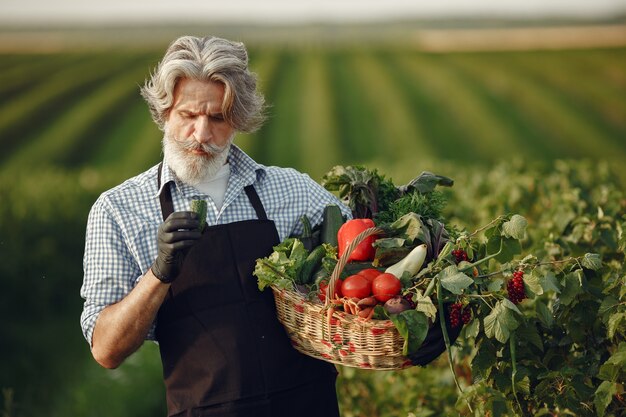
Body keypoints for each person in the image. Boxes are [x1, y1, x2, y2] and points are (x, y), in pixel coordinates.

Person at [80, 35, 351, 417]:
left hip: (307, 403)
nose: (202, 134)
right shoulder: (119, 210)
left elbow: (364, 249)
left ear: (238, 119)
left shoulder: (291, 189)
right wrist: (159, 273)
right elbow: (106, 350)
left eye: (217, 118)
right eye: (188, 116)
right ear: (165, 113)